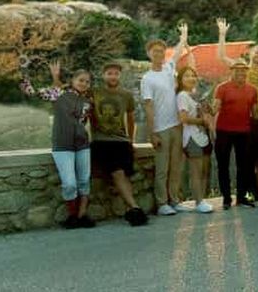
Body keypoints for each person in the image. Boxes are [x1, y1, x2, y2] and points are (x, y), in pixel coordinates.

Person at [20, 59, 96, 229]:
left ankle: (82, 215)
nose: (84, 84)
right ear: (73, 80)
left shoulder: (89, 101)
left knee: (84, 182)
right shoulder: (59, 94)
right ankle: (72, 216)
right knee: (69, 184)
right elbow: (30, 92)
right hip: (62, 146)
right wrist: (24, 70)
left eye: (87, 81)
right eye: (81, 80)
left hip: (83, 146)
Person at [217, 17, 258, 203]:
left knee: (253, 161)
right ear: (250, 55)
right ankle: (238, 195)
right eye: (257, 53)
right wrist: (222, 34)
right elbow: (222, 56)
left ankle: (254, 193)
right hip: (239, 124)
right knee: (239, 162)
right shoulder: (241, 70)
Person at [89, 61, 149, 226]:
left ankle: (132, 211)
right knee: (118, 173)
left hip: (122, 141)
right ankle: (135, 207)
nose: (113, 76)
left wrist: (131, 140)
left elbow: (130, 119)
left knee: (124, 175)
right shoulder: (95, 92)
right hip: (102, 141)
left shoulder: (126, 95)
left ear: (120, 76)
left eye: (116, 73)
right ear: (103, 75)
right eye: (109, 73)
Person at [141, 23, 188, 216]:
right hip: (161, 128)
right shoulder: (147, 79)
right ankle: (162, 203)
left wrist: (183, 36)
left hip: (176, 125)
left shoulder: (169, 68)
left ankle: (174, 200)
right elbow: (148, 106)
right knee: (162, 168)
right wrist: (152, 133)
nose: (159, 54)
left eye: (161, 51)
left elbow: (177, 52)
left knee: (176, 166)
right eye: (155, 51)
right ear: (149, 54)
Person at [213, 59, 258, 209]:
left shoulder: (252, 90)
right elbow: (216, 108)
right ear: (231, 71)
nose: (241, 72)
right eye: (237, 69)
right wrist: (208, 111)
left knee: (244, 166)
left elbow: (255, 113)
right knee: (223, 165)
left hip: (244, 131)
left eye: (243, 70)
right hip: (224, 130)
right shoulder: (222, 88)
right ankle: (226, 198)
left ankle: (241, 197)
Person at [176, 62, 215, 214]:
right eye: (187, 76)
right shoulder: (182, 96)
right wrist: (202, 121)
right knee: (196, 171)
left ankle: (202, 199)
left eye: (193, 76)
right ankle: (198, 201)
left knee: (204, 170)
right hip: (192, 137)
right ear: (180, 80)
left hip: (202, 136)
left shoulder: (195, 96)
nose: (191, 78)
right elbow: (184, 118)